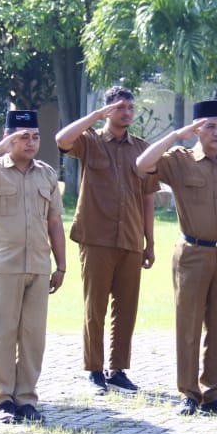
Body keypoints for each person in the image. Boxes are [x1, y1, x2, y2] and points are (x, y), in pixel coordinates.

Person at [138, 101, 217, 417]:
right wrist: (176, 135)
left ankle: (213, 392)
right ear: (197, 129)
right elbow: (142, 165)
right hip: (192, 254)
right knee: (188, 325)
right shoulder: (180, 161)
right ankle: (188, 392)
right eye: (210, 126)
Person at [0, 110, 66, 424]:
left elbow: (55, 221)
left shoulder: (46, 173)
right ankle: (3, 399)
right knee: (2, 334)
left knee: (33, 337)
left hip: (38, 266)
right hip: (4, 267)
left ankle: (27, 398)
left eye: (34, 136)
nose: (30, 143)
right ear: (8, 138)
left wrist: (61, 265)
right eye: (22, 137)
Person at [55, 86, 156, 395]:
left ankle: (118, 369)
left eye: (130, 108)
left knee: (126, 308)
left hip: (129, 237)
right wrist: (95, 117)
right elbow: (62, 140)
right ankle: (94, 369)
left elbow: (149, 196)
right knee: (94, 306)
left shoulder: (141, 148)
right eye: (120, 107)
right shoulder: (92, 142)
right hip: (96, 237)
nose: (126, 112)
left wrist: (149, 241)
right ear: (109, 110)